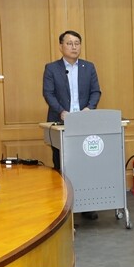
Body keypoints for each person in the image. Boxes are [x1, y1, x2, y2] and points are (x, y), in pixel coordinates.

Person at [43, 30, 102, 171]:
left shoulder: (88, 67)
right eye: (69, 43)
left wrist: (89, 108)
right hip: (60, 121)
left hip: (84, 121)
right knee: (60, 162)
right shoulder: (52, 68)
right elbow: (48, 93)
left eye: (77, 43)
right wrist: (61, 111)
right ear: (61, 46)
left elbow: (95, 91)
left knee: (84, 160)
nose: (74, 47)